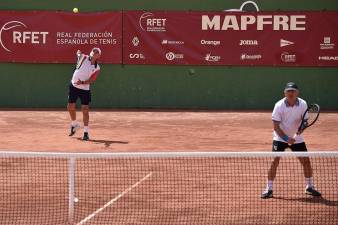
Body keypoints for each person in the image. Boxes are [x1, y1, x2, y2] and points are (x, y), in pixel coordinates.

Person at [261, 82, 321, 199]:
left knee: (306, 161)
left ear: (297, 92)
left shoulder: (303, 104)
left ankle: (309, 186)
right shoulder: (279, 105)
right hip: (280, 138)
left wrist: (301, 130)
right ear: (285, 93)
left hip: (297, 138)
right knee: (274, 161)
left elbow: (305, 121)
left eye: (293, 91)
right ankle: (269, 189)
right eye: (289, 91)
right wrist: (286, 138)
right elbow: (276, 127)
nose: (291, 93)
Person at [67, 47, 101, 141]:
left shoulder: (97, 68)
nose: (94, 53)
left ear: (98, 56)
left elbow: (92, 80)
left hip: (85, 89)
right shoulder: (83, 58)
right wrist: (78, 53)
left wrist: (82, 82)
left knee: (85, 109)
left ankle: (86, 132)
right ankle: (74, 124)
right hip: (73, 86)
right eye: (93, 51)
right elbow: (78, 53)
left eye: (96, 52)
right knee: (70, 107)